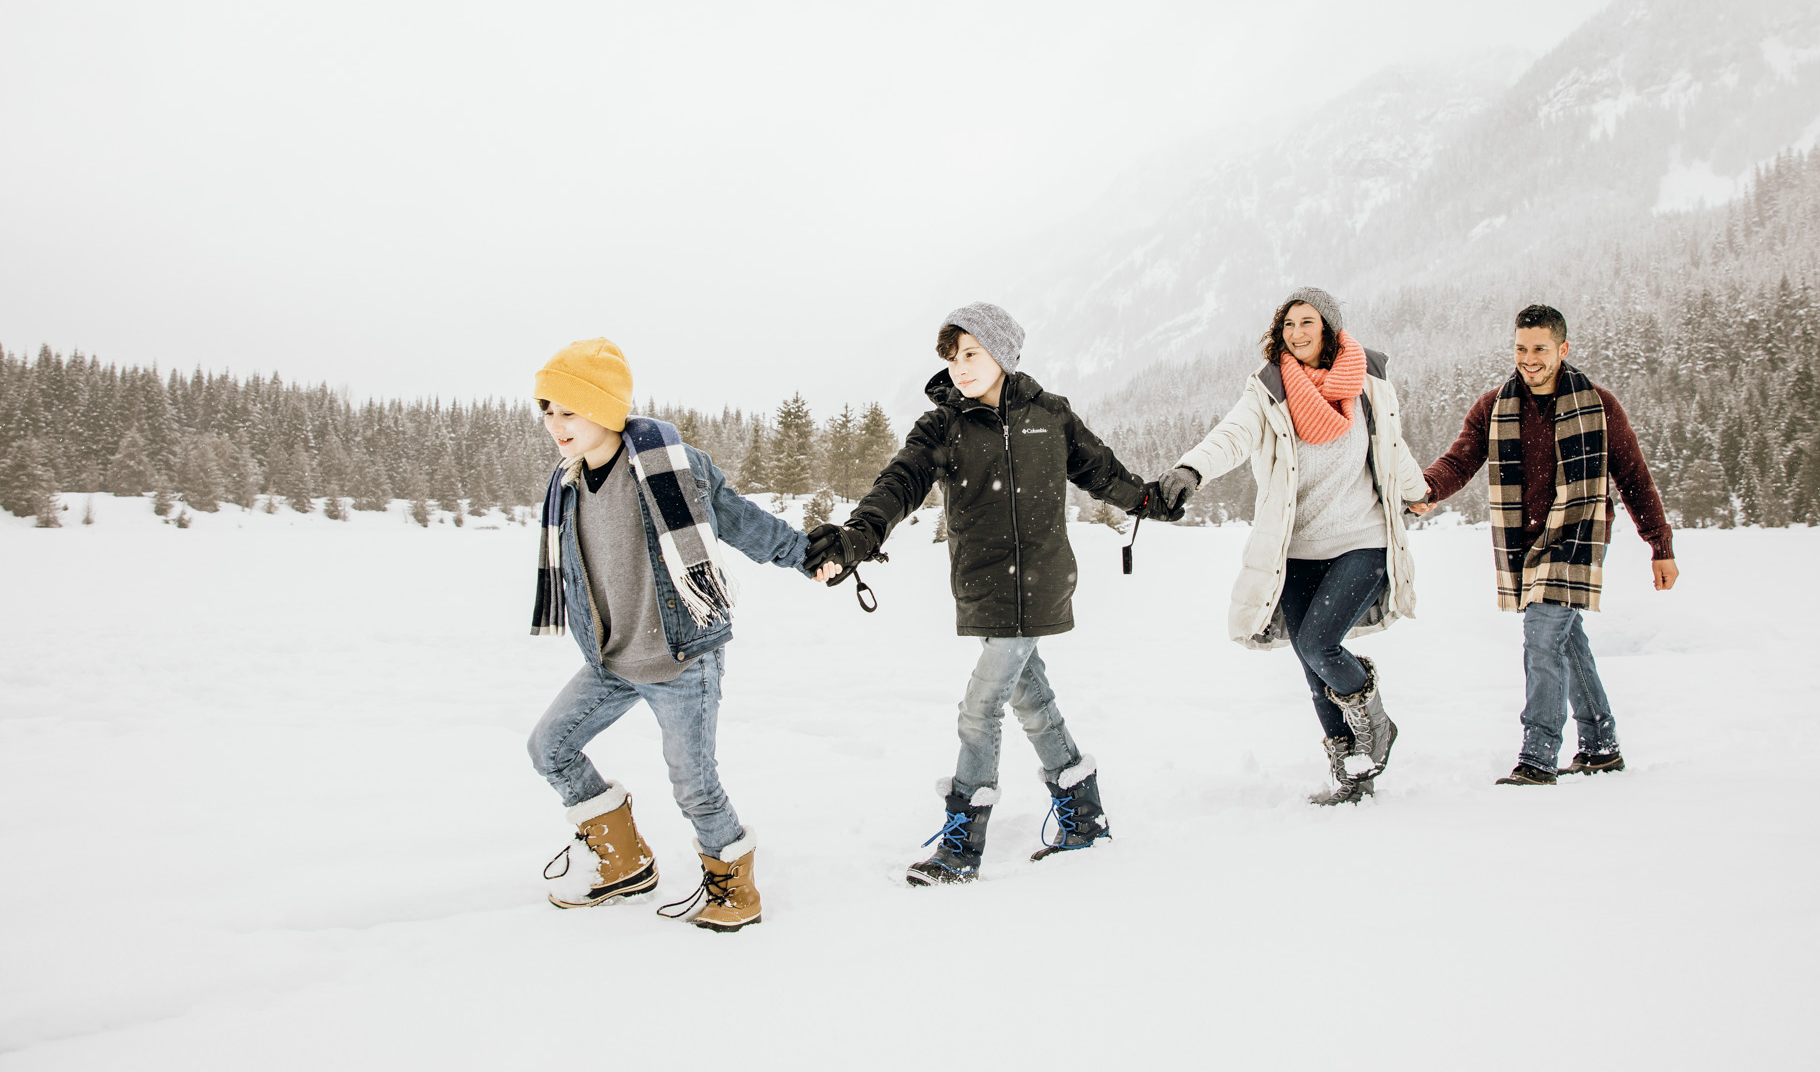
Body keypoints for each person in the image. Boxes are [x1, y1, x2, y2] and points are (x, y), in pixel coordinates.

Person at [803, 302, 1177, 884]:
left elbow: (1102, 472)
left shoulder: (1049, 415)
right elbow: (898, 484)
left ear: (1002, 352)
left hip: (1043, 580)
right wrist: (857, 536)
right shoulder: (942, 427)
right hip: (983, 584)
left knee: (980, 707)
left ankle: (963, 843)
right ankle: (1084, 816)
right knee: (1032, 700)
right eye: (953, 356)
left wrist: (1149, 500)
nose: (960, 366)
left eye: (972, 352)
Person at [525, 337, 815, 932]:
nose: (555, 424)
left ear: (605, 407)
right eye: (547, 410)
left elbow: (739, 521)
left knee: (693, 785)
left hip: (681, 656)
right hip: (613, 658)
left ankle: (734, 891)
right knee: (549, 745)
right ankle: (622, 862)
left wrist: (809, 555)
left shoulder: (671, 466)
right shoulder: (569, 484)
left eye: (568, 409)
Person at [1150, 287, 1431, 805]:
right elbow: (1232, 435)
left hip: (1361, 539)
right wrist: (1192, 469)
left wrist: (1417, 492)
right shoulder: (1269, 391)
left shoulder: (1368, 384)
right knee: (1309, 660)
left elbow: (1392, 445)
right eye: (1288, 326)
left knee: (1318, 643)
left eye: (1307, 322)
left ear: (1328, 326)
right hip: (1298, 548)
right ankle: (1353, 774)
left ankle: (1376, 726)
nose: (1297, 333)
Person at [1409, 304, 1678, 786]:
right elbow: (1461, 459)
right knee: (1564, 639)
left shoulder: (1599, 405)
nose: (1528, 359)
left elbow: (1634, 478)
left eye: (1539, 349)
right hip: (1524, 539)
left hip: (1579, 532)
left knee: (1542, 634)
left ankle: (1538, 755)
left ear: (1562, 349)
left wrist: (1660, 545)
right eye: (1520, 348)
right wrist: (1426, 489)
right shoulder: (1495, 405)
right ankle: (1600, 746)